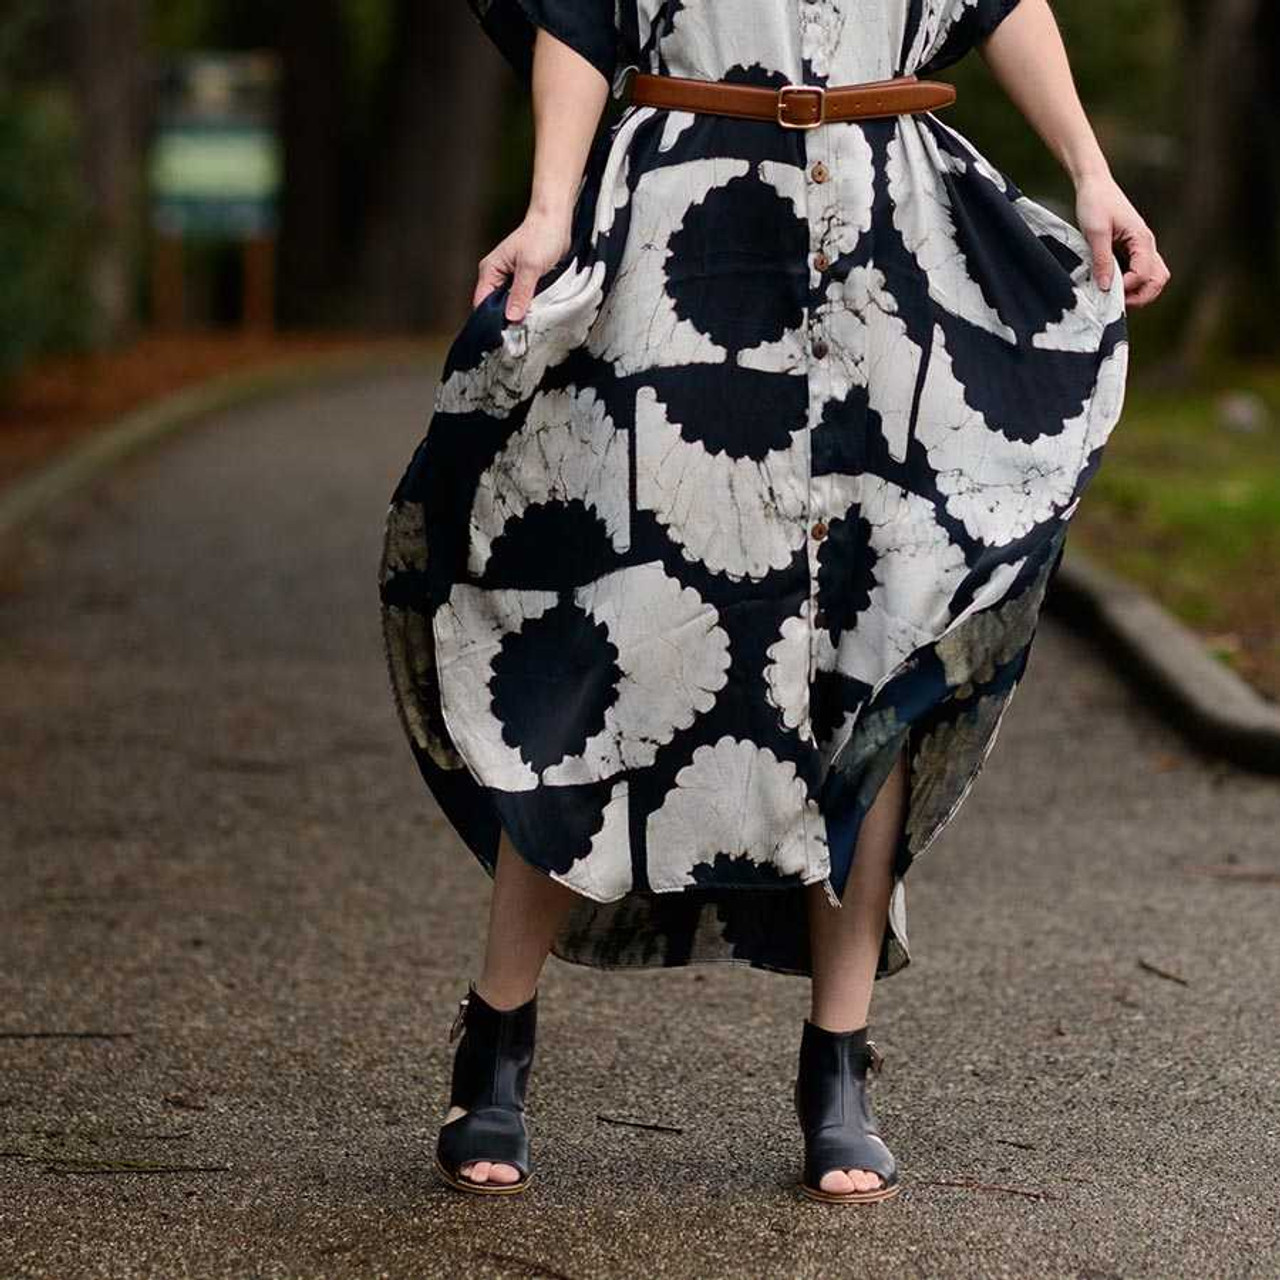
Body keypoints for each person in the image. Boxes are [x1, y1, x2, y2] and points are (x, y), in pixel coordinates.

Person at [378, 0, 1169, 1203]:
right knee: (606, 628)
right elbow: (580, 23)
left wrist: (1090, 171)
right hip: (677, 240)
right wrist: (548, 210)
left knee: (877, 640)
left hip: (891, 252)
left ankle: (837, 1060)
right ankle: (497, 1034)